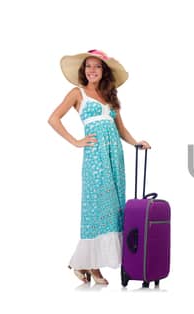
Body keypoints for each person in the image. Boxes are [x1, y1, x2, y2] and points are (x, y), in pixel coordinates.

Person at [47, 50, 152, 285]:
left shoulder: (109, 96)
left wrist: (137, 142)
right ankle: (90, 265)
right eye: (88, 67)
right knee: (96, 206)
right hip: (95, 157)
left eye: (97, 67)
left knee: (114, 208)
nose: (92, 70)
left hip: (115, 154)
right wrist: (76, 141)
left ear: (103, 71)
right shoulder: (78, 93)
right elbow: (53, 118)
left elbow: (120, 129)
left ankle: (88, 263)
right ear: (83, 71)